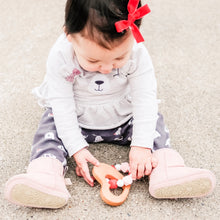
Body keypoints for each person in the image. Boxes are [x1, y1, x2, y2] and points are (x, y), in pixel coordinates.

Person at [4, 0, 216, 209]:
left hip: (124, 118)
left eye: (118, 58)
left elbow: (145, 99)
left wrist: (141, 146)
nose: (106, 68)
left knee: (153, 122)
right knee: (50, 125)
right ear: (69, 35)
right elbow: (62, 104)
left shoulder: (137, 52)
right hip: (76, 118)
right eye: (93, 61)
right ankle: (45, 175)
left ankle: (168, 168)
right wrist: (76, 148)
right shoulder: (60, 56)